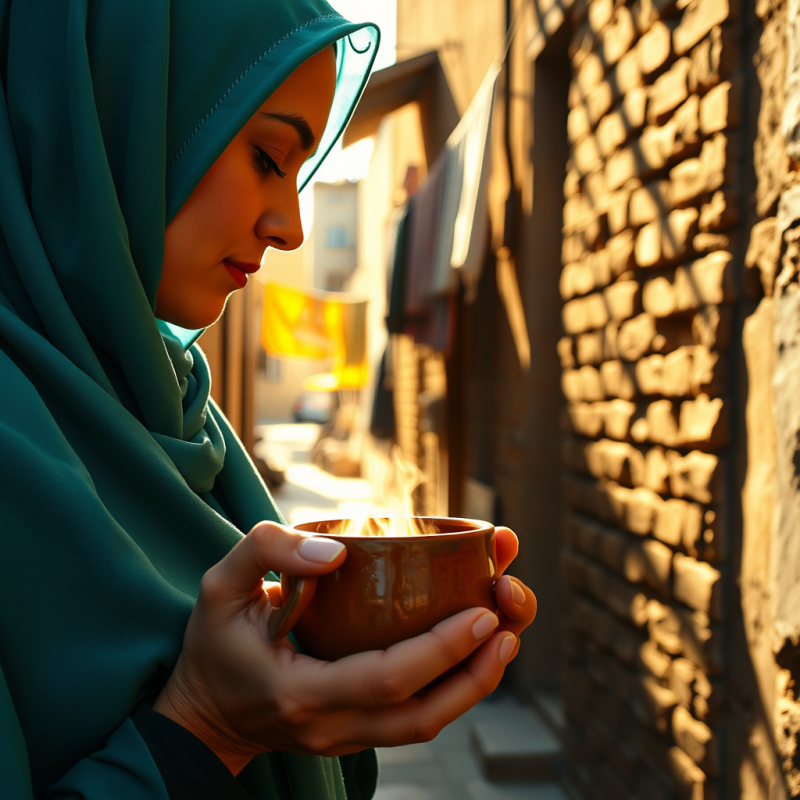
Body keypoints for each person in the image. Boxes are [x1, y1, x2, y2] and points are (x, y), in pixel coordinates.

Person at [0, 1, 537, 798]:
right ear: (113, 112)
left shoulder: (178, 411)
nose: (291, 227)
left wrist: (339, 661)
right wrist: (207, 726)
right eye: (266, 156)